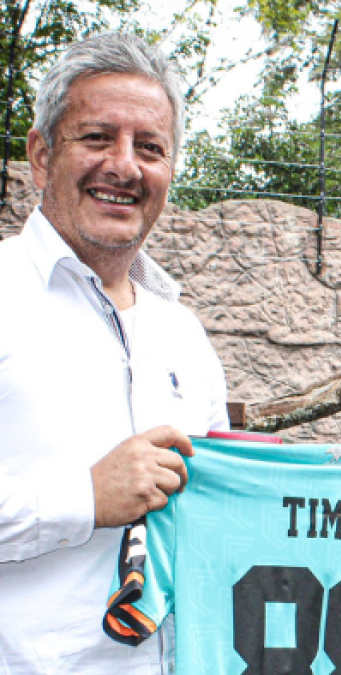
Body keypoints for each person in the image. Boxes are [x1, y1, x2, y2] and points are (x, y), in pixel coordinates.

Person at [0, 33, 228, 673]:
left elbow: (224, 521)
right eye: (98, 138)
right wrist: (84, 498)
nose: (125, 166)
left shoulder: (184, 334)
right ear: (42, 155)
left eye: (149, 148)